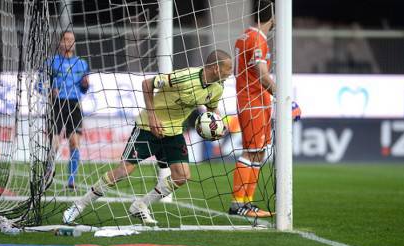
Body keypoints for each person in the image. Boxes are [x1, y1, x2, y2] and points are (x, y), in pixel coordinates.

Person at [62, 50, 233, 224]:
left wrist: (218, 125)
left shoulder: (218, 87)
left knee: (181, 176)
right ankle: (77, 206)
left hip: (173, 132)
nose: (231, 72)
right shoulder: (184, 76)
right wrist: (152, 116)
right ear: (215, 68)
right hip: (147, 127)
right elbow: (146, 84)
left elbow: (212, 109)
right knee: (123, 171)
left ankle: (141, 205)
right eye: (229, 68)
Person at [230, 0, 276, 218]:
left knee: (259, 153)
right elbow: (261, 72)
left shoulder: (244, 36)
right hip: (253, 101)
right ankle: (238, 204)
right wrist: (283, 96)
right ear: (273, 16)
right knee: (252, 152)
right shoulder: (257, 38)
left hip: (253, 100)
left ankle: (246, 203)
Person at [47, 31, 90, 191]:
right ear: (60, 42)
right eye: (66, 39)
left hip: (74, 105)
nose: (69, 42)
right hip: (57, 104)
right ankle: (48, 173)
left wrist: (86, 85)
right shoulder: (51, 62)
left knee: (74, 142)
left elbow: (85, 89)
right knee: (55, 143)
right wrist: (50, 90)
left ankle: (71, 181)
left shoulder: (82, 63)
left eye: (71, 39)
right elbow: (40, 84)